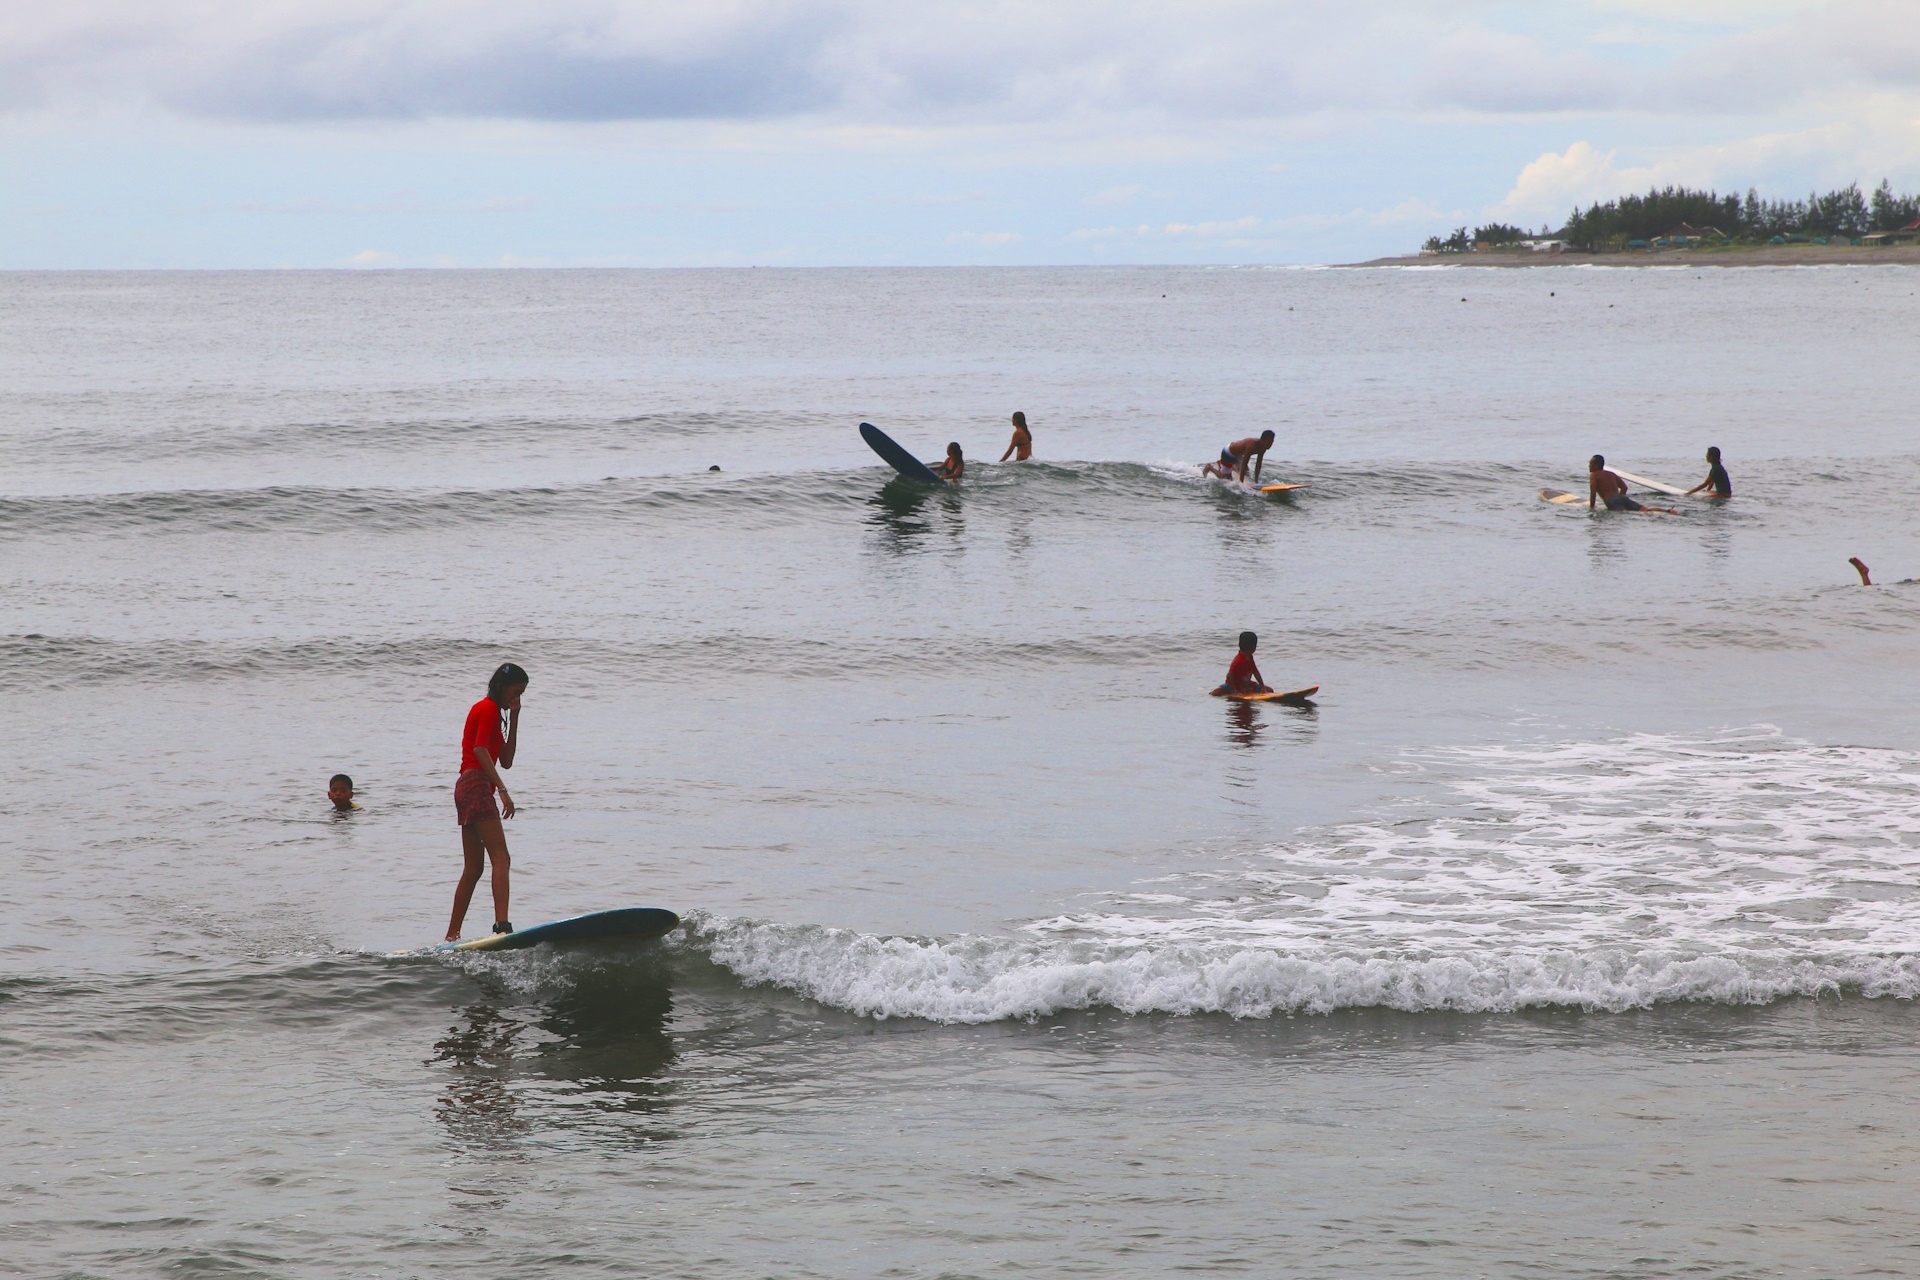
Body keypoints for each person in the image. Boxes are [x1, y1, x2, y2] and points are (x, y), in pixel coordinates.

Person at [446, 663, 528, 942]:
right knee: (501, 858)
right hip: (477, 785)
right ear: (502, 687)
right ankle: (502, 927)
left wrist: (515, 717)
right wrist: (502, 790)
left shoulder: (495, 714)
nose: (516, 698)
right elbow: (480, 750)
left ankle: (451, 936)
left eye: (522, 694)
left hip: (466, 787)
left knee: (474, 868)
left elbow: (506, 760)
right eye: (516, 692)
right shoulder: (488, 708)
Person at [1589, 454, 1678, 514]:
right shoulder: (1611, 474)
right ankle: (1668, 511)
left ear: (1596, 466)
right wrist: (1619, 498)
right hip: (1622, 498)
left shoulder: (1594, 475)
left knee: (1625, 514)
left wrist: (1592, 508)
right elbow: (1624, 487)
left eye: (1591, 464)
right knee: (1645, 511)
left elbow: (1593, 493)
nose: (1589, 465)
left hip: (1612, 502)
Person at [1201, 430, 1275, 482]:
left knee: (1247, 473)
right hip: (1228, 453)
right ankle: (1209, 467)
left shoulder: (1263, 448)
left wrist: (1256, 481)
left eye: (1272, 442)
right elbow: (1244, 463)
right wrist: (1241, 482)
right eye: (1269, 442)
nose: (1271, 445)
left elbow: (1258, 464)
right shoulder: (1251, 446)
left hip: (1237, 454)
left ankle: (1222, 465)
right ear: (1263, 440)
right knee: (1226, 479)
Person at [1214, 631, 1272, 696]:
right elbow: (1229, 676)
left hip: (1246, 686)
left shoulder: (1250, 657)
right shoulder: (1238, 660)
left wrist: (1263, 687)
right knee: (1215, 693)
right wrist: (1234, 691)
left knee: (1270, 690)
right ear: (1254, 648)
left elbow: (1255, 672)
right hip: (1233, 685)